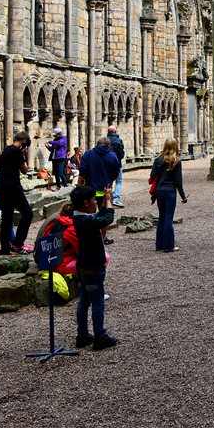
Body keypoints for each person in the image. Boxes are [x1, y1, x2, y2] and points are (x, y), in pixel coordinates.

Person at [71, 186, 117, 350]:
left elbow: (98, 216)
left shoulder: (80, 218)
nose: (95, 203)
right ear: (85, 203)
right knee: (97, 301)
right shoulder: (86, 221)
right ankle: (100, 336)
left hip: (83, 265)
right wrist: (109, 202)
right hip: (93, 266)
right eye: (93, 200)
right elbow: (106, 219)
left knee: (84, 300)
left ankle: (82, 334)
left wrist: (104, 200)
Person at [0, 131, 34, 255]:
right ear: (24, 142)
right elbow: (25, 170)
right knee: (28, 213)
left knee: (7, 218)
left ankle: (5, 248)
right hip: (13, 188)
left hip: (3, 189)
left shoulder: (6, 150)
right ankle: (18, 244)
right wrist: (24, 155)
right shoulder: (17, 151)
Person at [79, 137, 122, 245]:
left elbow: (82, 171)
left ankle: (89, 237)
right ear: (108, 146)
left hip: (90, 190)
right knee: (103, 215)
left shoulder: (89, 154)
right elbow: (116, 173)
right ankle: (103, 238)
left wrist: (79, 186)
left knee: (88, 214)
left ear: (97, 144)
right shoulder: (112, 156)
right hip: (104, 190)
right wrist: (110, 182)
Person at [150, 138, 188, 252]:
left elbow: (152, 175)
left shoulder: (158, 160)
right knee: (168, 218)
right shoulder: (176, 161)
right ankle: (168, 245)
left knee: (161, 216)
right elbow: (178, 181)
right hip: (170, 191)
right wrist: (183, 196)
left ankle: (159, 244)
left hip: (159, 191)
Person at [107, 125, 126, 207]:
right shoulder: (118, 140)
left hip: (106, 164)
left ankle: (107, 198)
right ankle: (115, 198)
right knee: (119, 180)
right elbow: (121, 154)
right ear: (115, 131)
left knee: (108, 181)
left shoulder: (105, 140)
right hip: (117, 164)